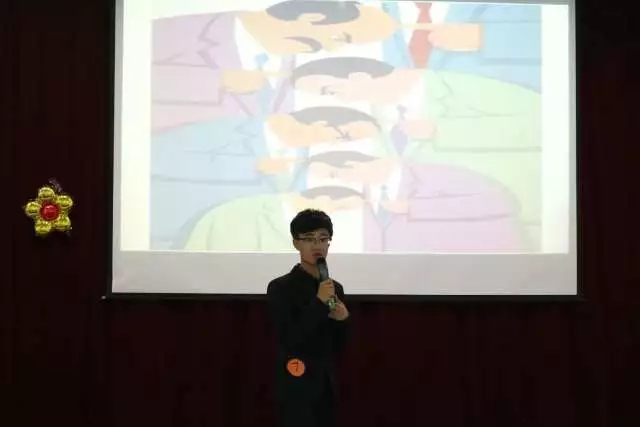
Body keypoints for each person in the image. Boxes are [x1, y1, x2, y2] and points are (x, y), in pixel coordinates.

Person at [267, 209, 350, 427]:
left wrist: (343, 320)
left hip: (326, 388)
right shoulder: (281, 287)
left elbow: (340, 345)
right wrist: (319, 303)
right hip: (296, 386)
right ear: (296, 243)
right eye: (309, 239)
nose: (317, 245)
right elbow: (289, 338)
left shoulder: (334, 288)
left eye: (323, 239)